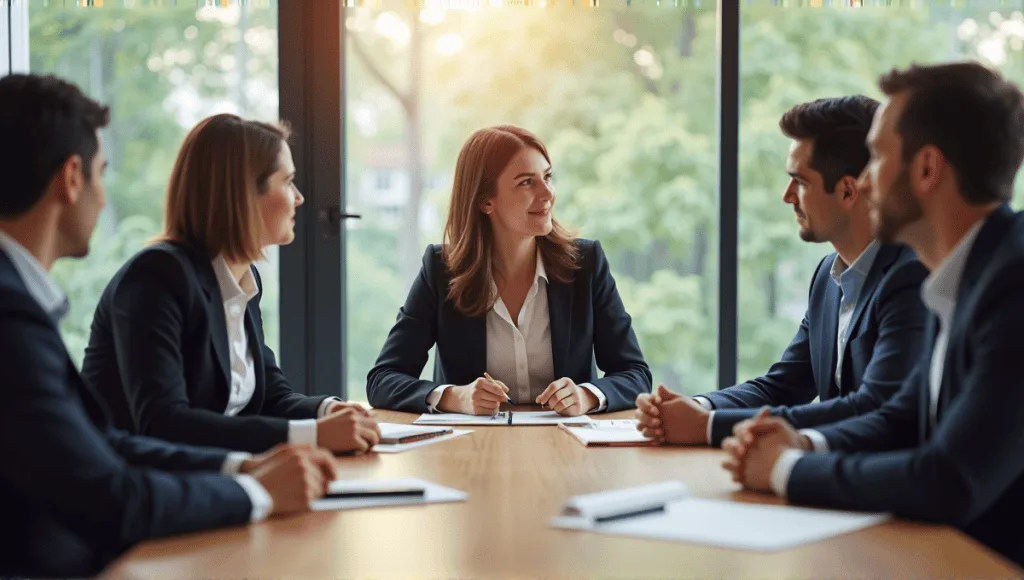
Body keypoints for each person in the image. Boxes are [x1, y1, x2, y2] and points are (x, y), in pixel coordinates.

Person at [0, 73, 338, 578]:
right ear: (71, 178)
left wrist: (246, 468)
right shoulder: (15, 313)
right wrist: (256, 488)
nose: (105, 198)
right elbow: (112, 486)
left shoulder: (21, 299)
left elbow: (102, 444)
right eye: (101, 173)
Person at [722, 61, 1024, 567]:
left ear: (927, 169)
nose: (861, 183)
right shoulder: (963, 275)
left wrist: (785, 470)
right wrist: (804, 442)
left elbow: (949, 479)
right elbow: (904, 416)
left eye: (877, 159)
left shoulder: (1013, 285)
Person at [635, 96, 928, 447]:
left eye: (799, 182)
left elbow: (872, 407)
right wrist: (697, 406)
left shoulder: (911, 275)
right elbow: (785, 384)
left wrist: (709, 425)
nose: (787, 196)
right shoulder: (828, 277)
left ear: (848, 190)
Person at [80, 113, 380, 454]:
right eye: (287, 181)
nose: (299, 198)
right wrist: (310, 435)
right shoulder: (156, 277)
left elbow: (269, 396)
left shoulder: (242, 283)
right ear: (242, 194)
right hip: (139, 490)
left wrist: (328, 411)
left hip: (209, 480)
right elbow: (163, 422)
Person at [367, 125, 651, 415]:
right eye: (527, 182)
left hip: (569, 449)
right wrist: (455, 398)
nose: (547, 194)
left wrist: (587, 396)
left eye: (547, 177)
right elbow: (383, 380)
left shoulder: (586, 264)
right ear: (485, 201)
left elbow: (635, 374)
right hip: (470, 452)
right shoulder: (441, 270)